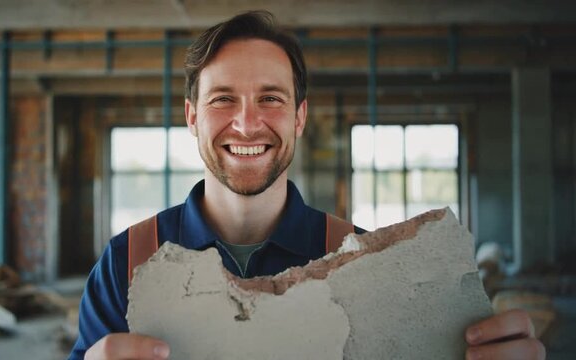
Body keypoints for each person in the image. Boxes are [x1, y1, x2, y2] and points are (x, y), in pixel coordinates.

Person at [70, 11, 545, 360]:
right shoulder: (126, 261)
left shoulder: (363, 259)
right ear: (192, 116)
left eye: (270, 98)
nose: (247, 123)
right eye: (223, 99)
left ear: (300, 117)